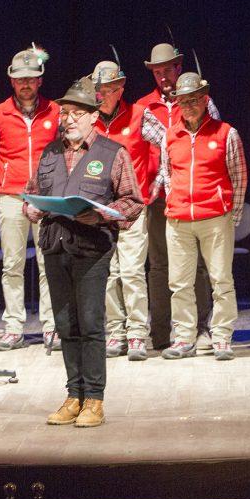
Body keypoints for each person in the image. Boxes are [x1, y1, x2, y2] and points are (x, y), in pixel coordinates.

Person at [26, 76, 143, 428]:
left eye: (78, 113)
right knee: (66, 324)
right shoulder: (49, 152)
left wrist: (102, 214)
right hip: (55, 244)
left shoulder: (111, 152)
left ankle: (94, 398)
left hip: (92, 248)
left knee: (91, 324)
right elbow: (31, 192)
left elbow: (133, 202)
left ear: (94, 115)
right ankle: (73, 395)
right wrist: (31, 207)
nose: (70, 118)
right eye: (65, 112)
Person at [136, 42, 220, 351]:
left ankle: (200, 328)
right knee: (158, 265)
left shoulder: (200, 100)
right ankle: (159, 332)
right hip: (159, 197)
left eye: (167, 70)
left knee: (196, 265)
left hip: (194, 196)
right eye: (157, 72)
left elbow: (216, 137)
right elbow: (137, 153)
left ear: (178, 67)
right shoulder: (144, 106)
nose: (163, 77)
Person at [159, 71, 247, 361]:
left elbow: (239, 177)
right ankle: (184, 337)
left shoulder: (226, 133)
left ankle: (221, 336)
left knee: (221, 279)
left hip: (215, 218)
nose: (189, 106)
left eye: (194, 100)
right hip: (179, 220)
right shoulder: (170, 135)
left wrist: (230, 217)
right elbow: (166, 173)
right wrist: (174, 199)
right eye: (183, 101)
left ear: (205, 99)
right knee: (179, 283)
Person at [0, 46, 60, 351]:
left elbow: (65, 153)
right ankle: (13, 326)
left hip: (48, 199)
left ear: (39, 80)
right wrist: (8, 181)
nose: (25, 83)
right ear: (11, 81)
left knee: (48, 264)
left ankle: (51, 326)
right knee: (12, 265)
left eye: (31, 78)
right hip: (11, 197)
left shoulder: (55, 111)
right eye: (20, 79)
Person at [90, 61, 153, 361]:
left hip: (132, 210)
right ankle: (115, 332)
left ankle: (138, 334)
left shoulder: (140, 115)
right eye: (99, 89)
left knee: (131, 272)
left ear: (121, 88)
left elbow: (170, 143)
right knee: (109, 274)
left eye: (110, 89)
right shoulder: (89, 121)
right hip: (100, 210)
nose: (103, 94)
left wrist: (157, 184)